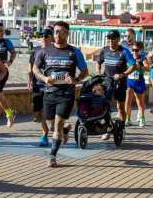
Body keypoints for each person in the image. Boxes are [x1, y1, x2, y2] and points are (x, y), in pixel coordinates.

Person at [33, 21, 88, 167]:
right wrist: (45, 78)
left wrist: (75, 79)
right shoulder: (45, 50)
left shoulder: (74, 52)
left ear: (67, 34)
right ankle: (65, 130)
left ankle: (52, 155)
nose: (57, 35)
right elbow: (35, 69)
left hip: (66, 93)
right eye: (56, 32)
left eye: (61, 32)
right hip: (49, 93)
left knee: (57, 123)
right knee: (51, 126)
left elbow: (85, 71)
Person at [96, 30, 137, 140]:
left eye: (113, 38)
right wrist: (99, 72)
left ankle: (122, 128)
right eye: (108, 38)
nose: (111, 41)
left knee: (120, 107)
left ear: (118, 39)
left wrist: (123, 74)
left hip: (120, 83)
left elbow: (134, 66)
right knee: (105, 106)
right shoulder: (104, 50)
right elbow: (98, 62)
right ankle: (107, 128)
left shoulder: (124, 51)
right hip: (107, 82)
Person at [0, 22, 17, 130]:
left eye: (3, 30)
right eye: (0, 30)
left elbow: (13, 53)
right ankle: (10, 113)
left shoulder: (6, 41)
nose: (3, 32)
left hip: (2, 72)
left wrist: (10, 61)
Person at [28, 28, 53, 147]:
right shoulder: (35, 50)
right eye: (41, 35)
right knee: (36, 113)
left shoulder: (54, 50)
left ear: (51, 37)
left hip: (50, 86)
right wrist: (30, 79)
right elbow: (31, 66)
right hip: (37, 85)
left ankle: (44, 136)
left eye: (46, 35)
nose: (43, 37)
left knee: (44, 113)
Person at [125, 42, 150, 127]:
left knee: (140, 102)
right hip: (130, 81)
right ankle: (127, 119)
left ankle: (142, 118)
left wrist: (141, 66)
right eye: (133, 50)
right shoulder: (129, 58)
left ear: (140, 50)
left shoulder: (142, 58)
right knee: (128, 101)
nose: (134, 52)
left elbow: (148, 68)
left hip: (139, 82)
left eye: (136, 50)